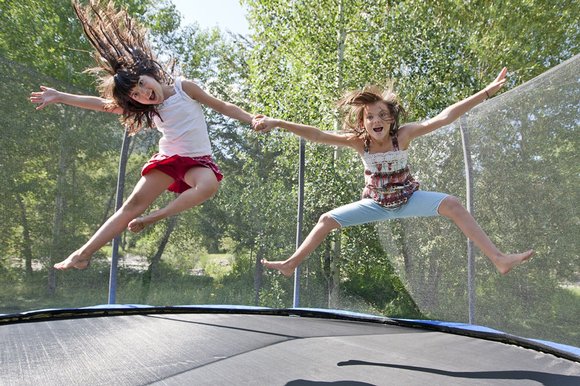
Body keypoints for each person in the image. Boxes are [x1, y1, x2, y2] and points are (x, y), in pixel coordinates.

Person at [29, 0, 259, 270]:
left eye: (141, 84)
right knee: (132, 204)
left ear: (148, 73)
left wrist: (250, 118)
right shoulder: (150, 109)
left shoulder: (185, 88)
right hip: (169, 160)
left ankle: (154, 217)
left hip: (198, 161)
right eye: (136, 95)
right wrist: (60, 96)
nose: (144, 93)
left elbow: (222, 106)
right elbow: (100, 104)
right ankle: (82, 254)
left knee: (208, 186)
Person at [254, 67, 534, 276]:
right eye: (370, 117)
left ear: (391, 120)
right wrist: (277, 122)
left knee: (452, 204)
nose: (376, 121)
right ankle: (292, 263)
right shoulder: (358, 142)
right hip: (375, 204)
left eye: (382, 116)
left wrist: (486, 92)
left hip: (409, 199)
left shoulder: (404, 135)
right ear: (362, 123)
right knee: (326, 219)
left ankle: (498, 258)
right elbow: (316, 134)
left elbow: (446, 116)